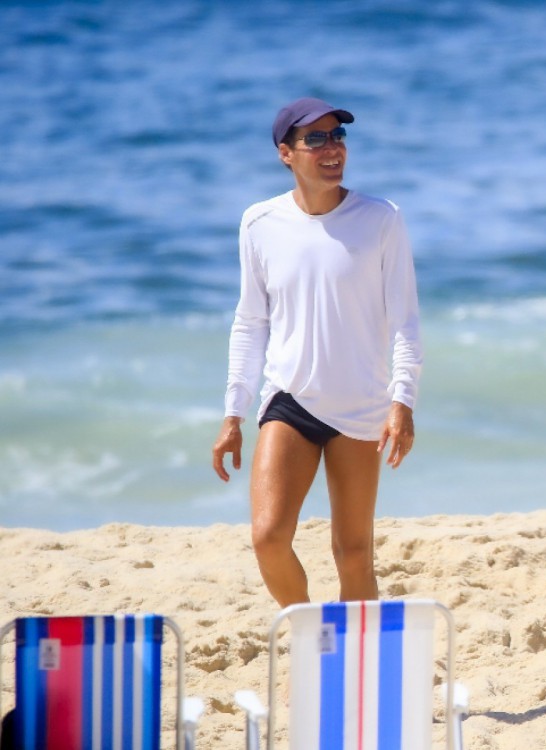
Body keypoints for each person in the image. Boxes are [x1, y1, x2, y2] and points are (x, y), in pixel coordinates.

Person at [211, 97, 422, 608]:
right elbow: (250, 321)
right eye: (317, 139)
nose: (333, 149)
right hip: (291, 399)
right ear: (287, 153)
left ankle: (358, 668)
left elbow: (405, 321)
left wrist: (403, 401)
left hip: (362, 405)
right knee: (268, 538)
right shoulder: (259, 223)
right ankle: (309, 632)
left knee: (353, 553)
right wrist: (234, 412)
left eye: (339, 137)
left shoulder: (381, 219)